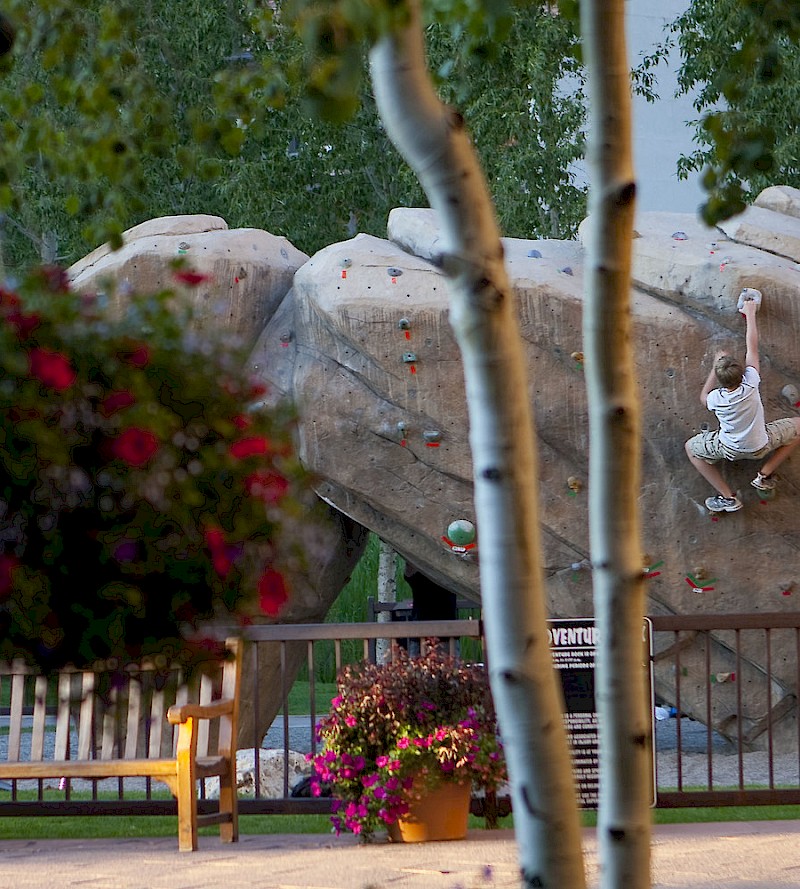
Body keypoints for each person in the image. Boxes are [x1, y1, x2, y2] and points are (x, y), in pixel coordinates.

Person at [684, 294, 800, 513]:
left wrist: (715, 366)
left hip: (729, 448)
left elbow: (703, 397)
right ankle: (764, 475)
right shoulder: (750, 383)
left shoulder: (716, 398)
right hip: (761, 444)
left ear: (720, 380)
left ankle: (728, 498)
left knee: (691, 449)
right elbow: (752, 347)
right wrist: (751, 314)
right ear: (742, 372)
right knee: (798, 426)